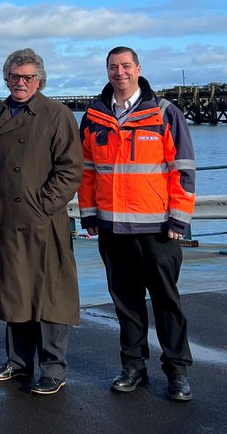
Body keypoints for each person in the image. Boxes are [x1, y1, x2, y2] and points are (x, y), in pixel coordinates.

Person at [79, 46, 196, 401]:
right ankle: (133, 367)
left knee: (166, 301)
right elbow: (86, 171)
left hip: (158, 229)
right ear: (107, 71)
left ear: (138, 69)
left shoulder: (163, 114)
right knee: (125, 303)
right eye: (113, 67)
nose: (120, 72)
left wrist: (179, 218)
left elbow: (183, 170)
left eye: (126, 66)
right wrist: (88, 214)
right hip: (112, 229)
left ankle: (177, 371)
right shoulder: (94, 117)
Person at [0, 49, 83, 395]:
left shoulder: (57, 114)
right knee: (14, 292)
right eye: (15, 76)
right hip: (1, 220)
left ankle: (53, 368)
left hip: (42, 222)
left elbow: (70, 169)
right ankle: (18, 363)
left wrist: (42, 206)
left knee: (49, 295)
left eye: (28, 77)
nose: (21, 82)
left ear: (40, 80)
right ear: (6, 79)